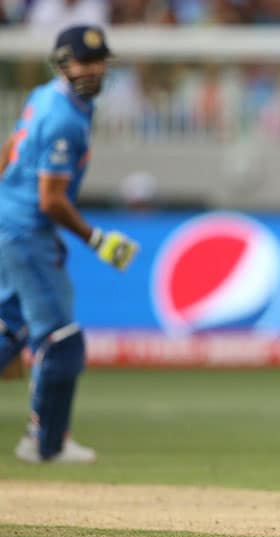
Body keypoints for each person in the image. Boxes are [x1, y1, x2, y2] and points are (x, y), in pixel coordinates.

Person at [1, 25, 138, 464]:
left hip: (12, 225)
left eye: (99, 62)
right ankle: (47, 445)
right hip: (26, 232)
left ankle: (47, 440)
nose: (93, 71)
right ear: (62, 63)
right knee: (62, 343)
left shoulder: (47, 97)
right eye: (84, 62)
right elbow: (51, 198)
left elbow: (9, 152)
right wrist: (97, 240)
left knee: (8, 332)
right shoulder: (64, 117)